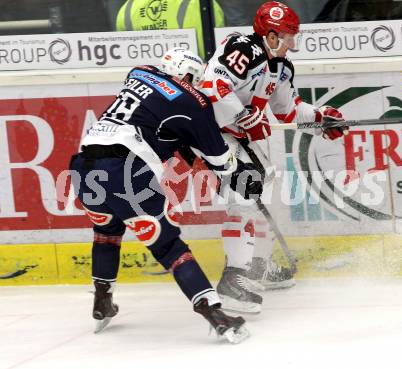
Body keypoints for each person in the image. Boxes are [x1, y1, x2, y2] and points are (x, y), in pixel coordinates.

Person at [69, 47, 264, 343]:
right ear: (190, 76)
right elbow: (221, 160)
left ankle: (102, 301)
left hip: (83, 168)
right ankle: (215, 314)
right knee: (168, 247)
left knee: (106, 232)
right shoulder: (194, 100)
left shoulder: (140, 72)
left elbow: (157, 119)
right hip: (125, 172)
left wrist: (180, 139)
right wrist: (239, 172)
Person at [198, 1, 348, 314]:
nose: (293, 42)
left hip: (239, 134)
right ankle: (232, 280)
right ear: (269, 36)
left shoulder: (280, 67)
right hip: (213, 132)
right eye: (287, 35)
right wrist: (244, 117)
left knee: (265, 194)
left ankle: (257, 266)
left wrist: (321, 119)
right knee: (244, 196)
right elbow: (212, 88)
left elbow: (289, 111)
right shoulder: (242, 48)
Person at [116, 0, 224, 59]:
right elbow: (220, 45)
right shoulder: (201, 4)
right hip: (193, 78)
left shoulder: (127, 8)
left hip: (146, 83)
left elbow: (124, 55)